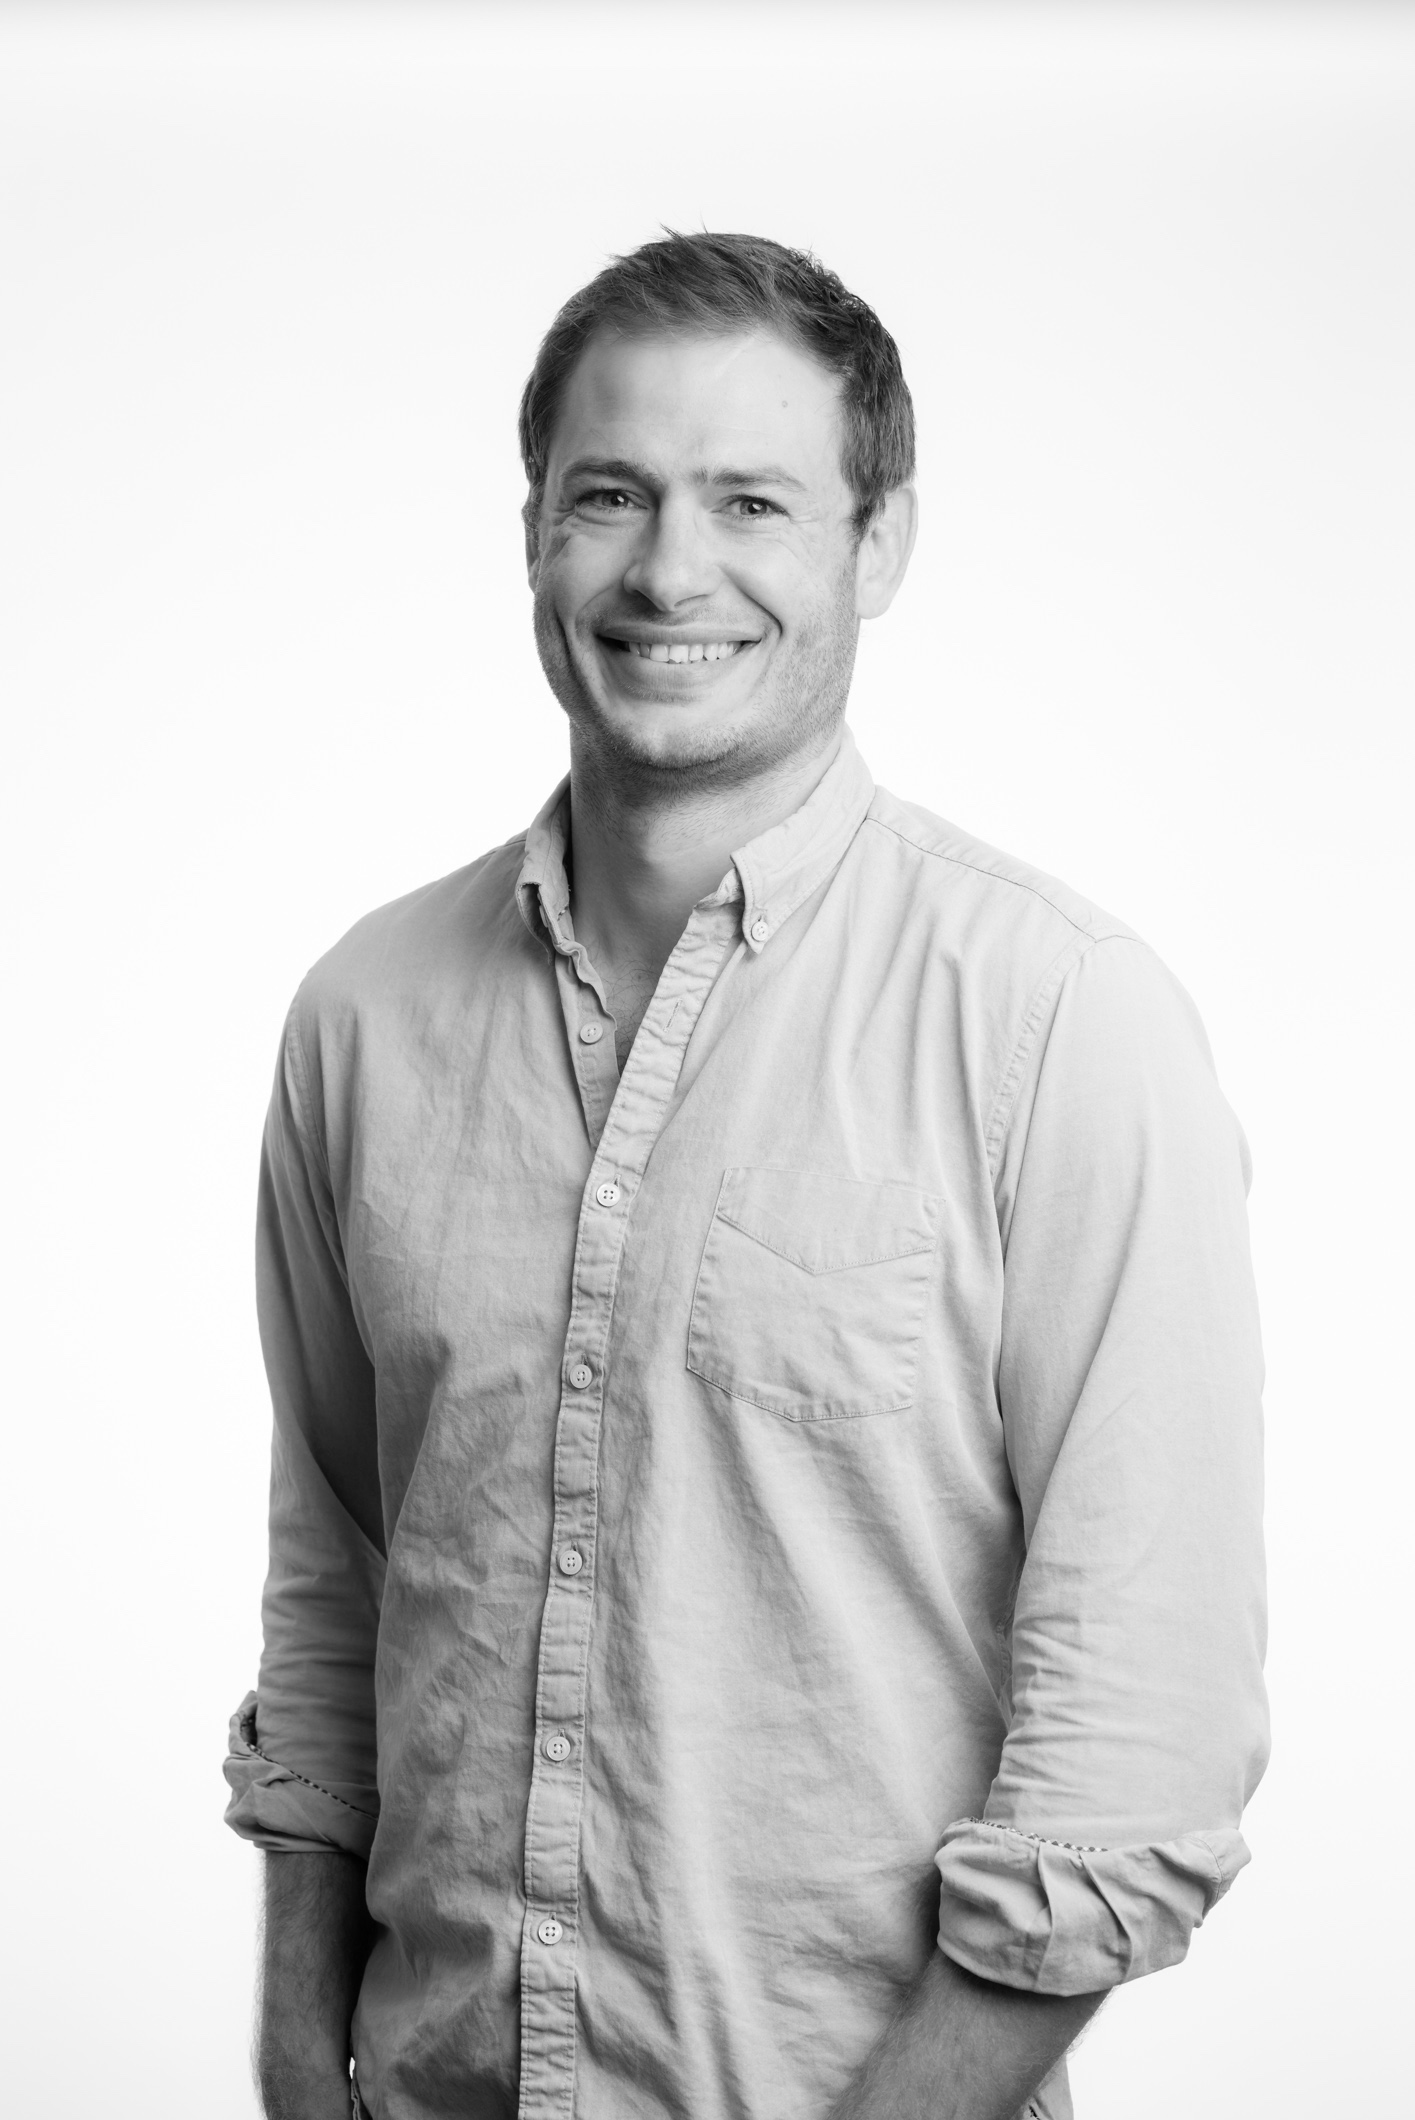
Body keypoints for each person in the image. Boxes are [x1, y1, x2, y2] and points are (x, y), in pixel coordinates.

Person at [225, 231, 1268, 2120]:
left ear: (880, 544)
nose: (668, 571)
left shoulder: (1059, 1022)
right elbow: (338, 1598)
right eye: (609, 494)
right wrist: (303, 2065)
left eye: (752, 501)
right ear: (533, 533)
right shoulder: (361, 1019)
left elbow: (1140, 1746)